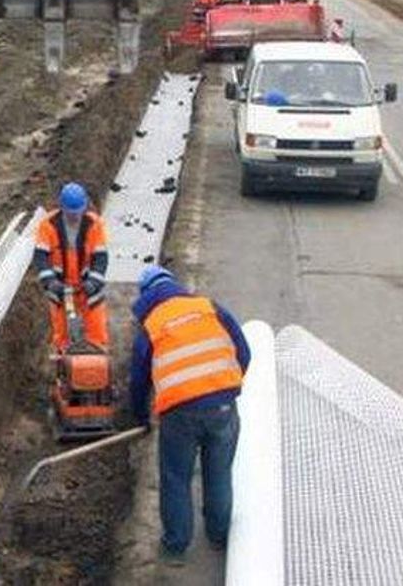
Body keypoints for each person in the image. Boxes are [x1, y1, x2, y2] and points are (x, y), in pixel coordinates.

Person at [130, 266, 251, 566]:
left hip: (179, 414)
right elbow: (244, 351)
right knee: (219, 473)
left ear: (147, 296)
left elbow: (138, 380)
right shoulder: (209, 308)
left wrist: (141, 417)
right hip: (223, 407)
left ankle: (175, 546)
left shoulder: (152, 325)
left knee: (176, 478)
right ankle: (219, 536)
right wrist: (223, 387)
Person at [33, 182, 110, 350]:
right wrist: (50, 282)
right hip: (60, 286)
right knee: (61, 332)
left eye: (78, 213)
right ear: (62, 208)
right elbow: (40, 257)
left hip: (88, 285)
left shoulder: (94, 224)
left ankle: (98, 359)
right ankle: (63, 365)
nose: (75, 217)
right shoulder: (48, 225)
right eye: (71, 213)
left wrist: (94, 282)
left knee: (97, 327)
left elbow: (101, 257)